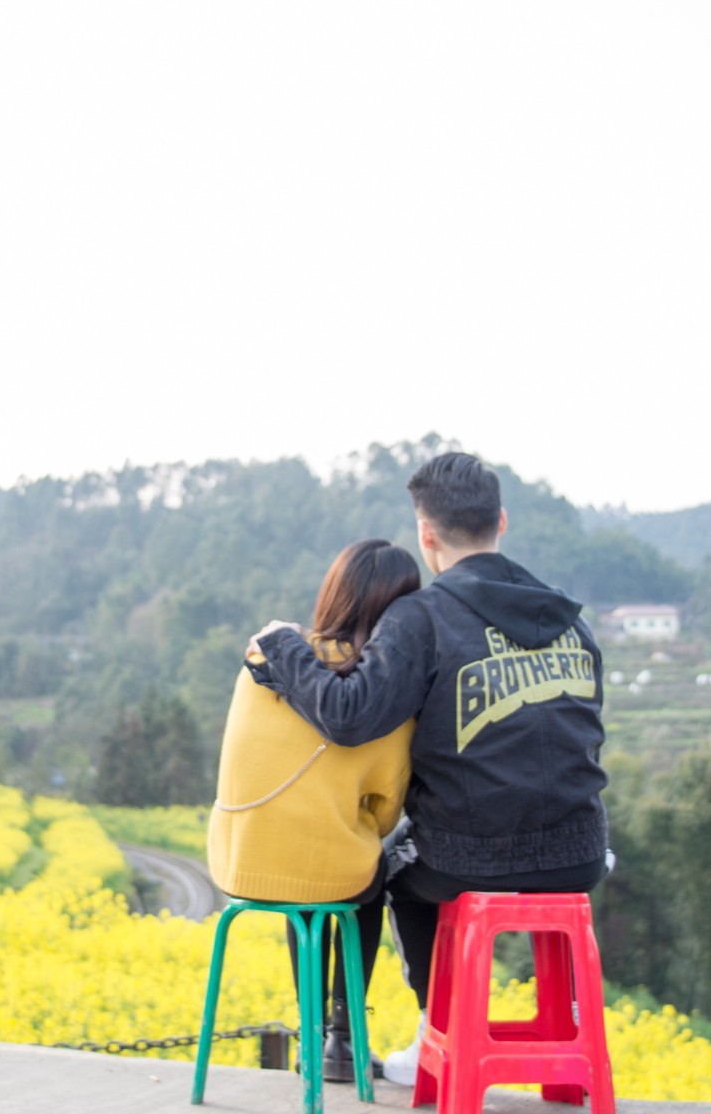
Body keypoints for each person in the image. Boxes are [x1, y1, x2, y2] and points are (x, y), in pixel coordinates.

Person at [246, 452, 609, 1084]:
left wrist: (282, 644)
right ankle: (562, 1043)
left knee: (389, 870)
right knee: (423, 853)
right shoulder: (571, 623)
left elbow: (350, 713)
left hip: (472, 857)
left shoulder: (422, 618)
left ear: (427, 535)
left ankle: (433, 1033)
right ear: (501, 521)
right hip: (581, 852)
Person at [209, 538, 421, 1083]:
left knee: (305, 870)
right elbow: (385, 802)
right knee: (369, 869)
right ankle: (343, 1037)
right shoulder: (380, 687)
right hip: (327, 871)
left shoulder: (265, 659)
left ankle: (310, 1032)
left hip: (239, 858)